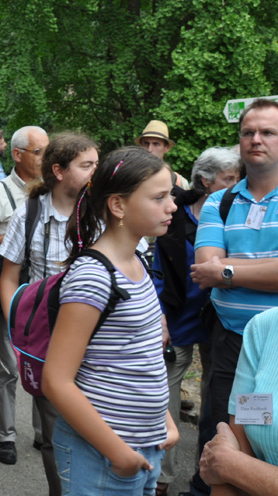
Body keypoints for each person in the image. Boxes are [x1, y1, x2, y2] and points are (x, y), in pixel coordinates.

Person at [43, 146, 180, 494]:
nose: (172, 206)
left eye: (170, 195)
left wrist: (164, 420)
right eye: (159, 197)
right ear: (118, 205)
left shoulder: (138, 262)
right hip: (104, 455)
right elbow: (56, 381)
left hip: (144, 446)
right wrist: (120, 455)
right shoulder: (94, 276)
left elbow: (140, 354)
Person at [0, 132, 99, 496]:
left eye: (97, 164)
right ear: (58, 171)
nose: (95, 172)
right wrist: (20, 330)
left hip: (98, 341)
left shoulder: (105, 210)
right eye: (86, 165)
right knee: (55, 435)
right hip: (49, 343)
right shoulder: (29, 212)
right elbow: (8, 278)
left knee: (98, 427)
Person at [188, 98, 278, 496]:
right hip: (230, 343)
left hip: (275, 347)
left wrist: (227, 270)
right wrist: (263, 268)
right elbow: (203, 268)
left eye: (268, 132)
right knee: (223, 435)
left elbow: (216, 268)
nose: (256, 139)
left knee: (269, 437)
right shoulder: (220, 201)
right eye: (248, 132)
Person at [152, 146, 240, 496]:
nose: (235, 185)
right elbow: (158, 272)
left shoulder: (235, 216)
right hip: (177, 319)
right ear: (205, 181)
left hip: (219, 320)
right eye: (228, 179)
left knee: (215, 403)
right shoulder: (174, 216)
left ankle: (207, 478)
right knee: (166, 397)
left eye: (237, 178)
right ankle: (162, 478)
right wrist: (159, 317)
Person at [0, 125, 49, 466]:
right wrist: (9, 239)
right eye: (39, 152)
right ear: (17, 155)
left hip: (41, 294)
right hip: (3, 292)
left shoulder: (51, 194)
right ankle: (5, 436)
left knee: (44, 363)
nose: (45, 159)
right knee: (7, 367)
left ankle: (43, 431)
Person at [198, 307, 278, 496]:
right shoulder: (265, 326)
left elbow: (225, 461)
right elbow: (237, 441)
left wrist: (232, 465)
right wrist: (231, 465)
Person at [136, 120, 190, 189]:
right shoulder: (129, 176)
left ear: (167, 147)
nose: (149, 149)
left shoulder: (179, 182)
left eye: (156, 144)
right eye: (146, 143)